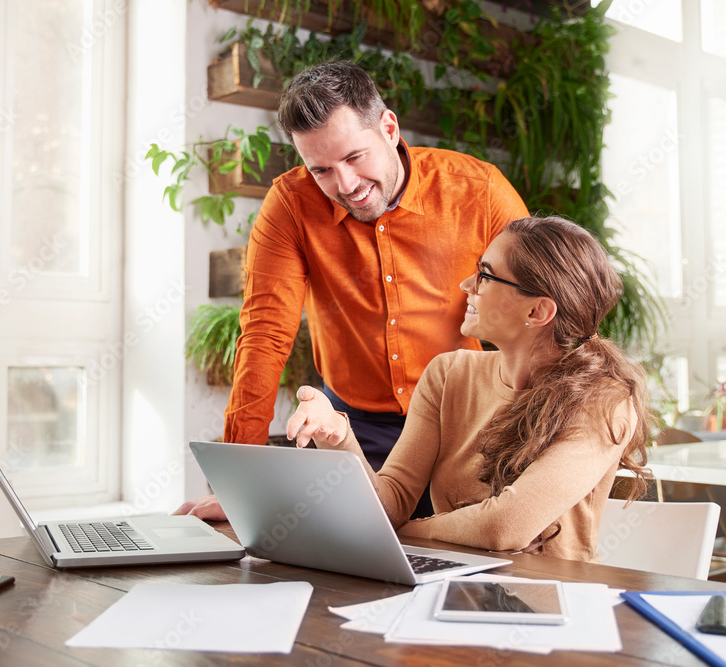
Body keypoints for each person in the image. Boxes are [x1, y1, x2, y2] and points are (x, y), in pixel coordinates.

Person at [176, 61, 528, 520]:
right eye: (321, 169)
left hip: (468, 423)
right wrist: (239, 482)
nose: (345, 186)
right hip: (352, 432)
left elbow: (542, 310)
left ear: (388, 126)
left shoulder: (478, 191)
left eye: (354, 157)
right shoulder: (290, 206)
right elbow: (265, 336)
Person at [285, 216, 651, 561]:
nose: (466, 286)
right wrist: (338, 440)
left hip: (556, 604)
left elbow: (505, 527)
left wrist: (404, 532)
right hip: (453, 585)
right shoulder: (448, 375)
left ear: (537, 312)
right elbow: (391, 501)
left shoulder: (605, 402)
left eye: (485, 276)